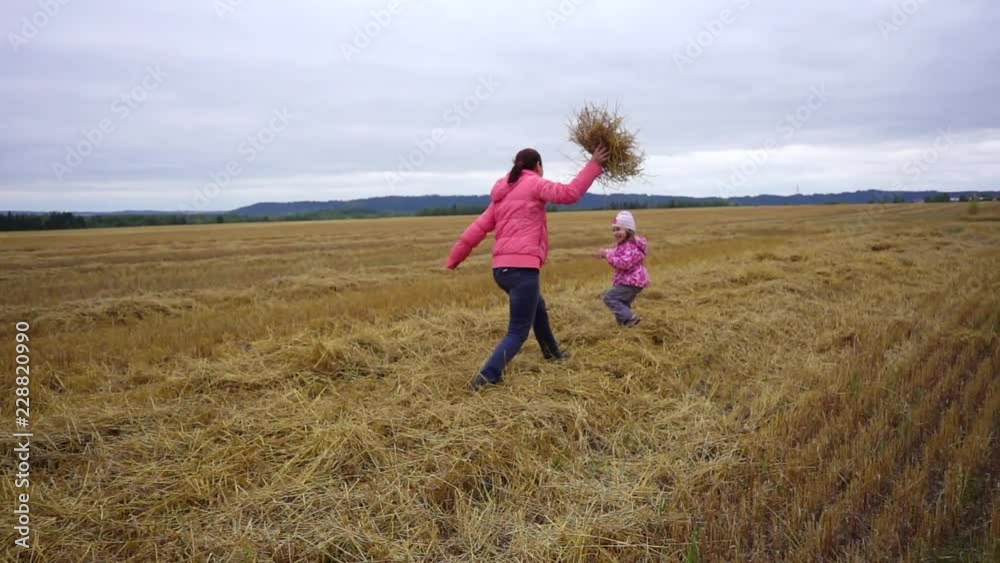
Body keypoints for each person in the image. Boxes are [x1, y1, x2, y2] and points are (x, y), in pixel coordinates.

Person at [446, 145, 611, 391]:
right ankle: (487, 377)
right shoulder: (535, 184)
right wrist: (595, 165)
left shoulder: (502, 195)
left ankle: (552, 353)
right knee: (518, 331)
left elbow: (477, 229)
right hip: (522, 269)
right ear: (538, 166)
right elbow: (570, 193)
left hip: (501, 271)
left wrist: (454, 259)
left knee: (538, 308)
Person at [595, 210, 649, 327]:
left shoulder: (630, 246)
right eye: (614, 230)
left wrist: (607, 256)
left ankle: (630, 319)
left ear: (629, 230)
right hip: (633, 281)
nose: (615, 233)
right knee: (622, 303)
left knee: (610, 297)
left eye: (619, 229)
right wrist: (606, 252)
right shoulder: (625, 245)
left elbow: (623, 264)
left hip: (631, 281)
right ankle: (625, 326)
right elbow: (616, 252)